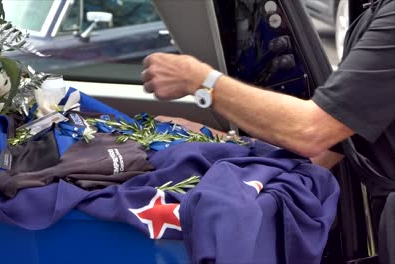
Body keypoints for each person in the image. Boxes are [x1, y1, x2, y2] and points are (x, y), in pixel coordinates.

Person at [141, 0, 395, 262]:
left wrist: (200, 81)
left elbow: (312, 130)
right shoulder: (374, 13)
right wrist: (213, 142)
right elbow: (329, 147)